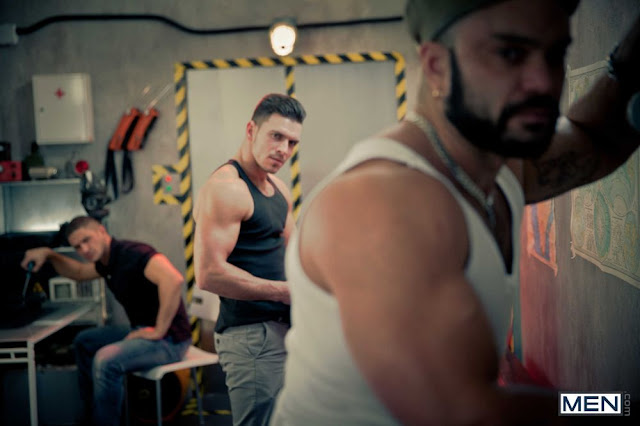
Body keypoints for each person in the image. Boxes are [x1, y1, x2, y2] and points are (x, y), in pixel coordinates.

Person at [270, 1, 640, 425]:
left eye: (555, 54)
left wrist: (627, 68)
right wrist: (618, 406)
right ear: (436, 66)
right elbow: (472, 417)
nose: (543, 81)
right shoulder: (382, 204)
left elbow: (595, 141)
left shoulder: (496, 173)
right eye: (510, 53)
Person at [193, 93, 306, 425]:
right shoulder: (227, 189)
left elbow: (296, 254)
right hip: (251, 337)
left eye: (292, 142)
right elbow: (209, 274)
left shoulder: (279, 189)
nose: (284, 149)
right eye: (276, 136)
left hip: (285, 329)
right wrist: (283, 292)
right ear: (251, 130)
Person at [21, 216, 191, 426]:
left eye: (87, 240)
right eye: (77, 246)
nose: (84, 249)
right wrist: (49, 254)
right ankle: (94, 415)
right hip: (141, 331)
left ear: (101, 231)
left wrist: (159, 330)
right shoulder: (107, 261)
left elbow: (173, 280)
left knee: (106, 360)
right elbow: (79, 272)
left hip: (171, 340)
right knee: (85, 342)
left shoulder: (132, 253)